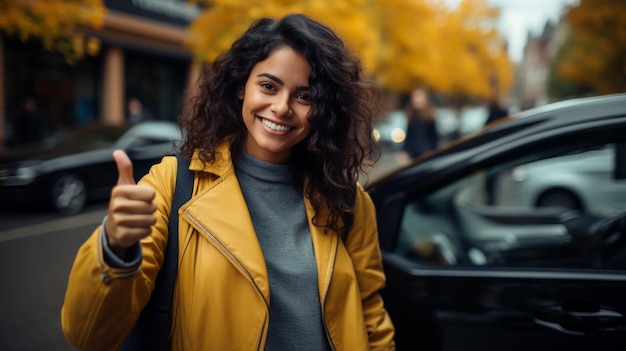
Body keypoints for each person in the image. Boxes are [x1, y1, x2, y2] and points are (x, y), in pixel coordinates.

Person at [61, 14, 396, 351]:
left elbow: (370, 314)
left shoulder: (347, 199)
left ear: (324, 108)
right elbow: (88, 335)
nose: (281, 107)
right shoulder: (174, 184)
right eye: (268, 86)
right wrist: (115, 247)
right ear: (241, 87)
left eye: (305, 96)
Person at [400, 88, 438, 161]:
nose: (416, 99)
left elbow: (434, 137)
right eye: (415, 97)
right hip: (414, 154)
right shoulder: (412, 115)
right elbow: (409, 136)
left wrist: (432, 151)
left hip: (427, 153)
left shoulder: (429, 116)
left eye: (419, 96)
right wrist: (404, 151)